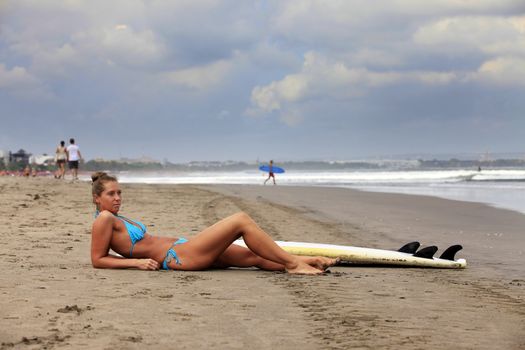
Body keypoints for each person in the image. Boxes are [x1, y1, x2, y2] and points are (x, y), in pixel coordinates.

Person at [90, 172, 337, 274]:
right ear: (97, 198)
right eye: (111, 194)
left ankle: (310, 261)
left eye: (119, 193)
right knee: (240, 220)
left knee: (254, 257)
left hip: (185, 247)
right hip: (178, 256)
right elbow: (97, 259)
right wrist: (137, 263)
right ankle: (295, 265)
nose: (117, 198)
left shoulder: (116, 218)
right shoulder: (104, 218)